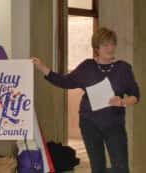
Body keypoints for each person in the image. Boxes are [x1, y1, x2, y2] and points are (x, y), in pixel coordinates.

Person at [32, 27, 140, 173]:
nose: (110, 48)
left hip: (114, 125)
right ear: (96, 48)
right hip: (89, 124)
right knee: (97, 167)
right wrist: (43, 68)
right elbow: (65, 82)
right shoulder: (87, 67)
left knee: (121, 167)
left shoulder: (123, 69)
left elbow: (135, 95)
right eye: (105, 45)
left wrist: (122, 102)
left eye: (112, 44)